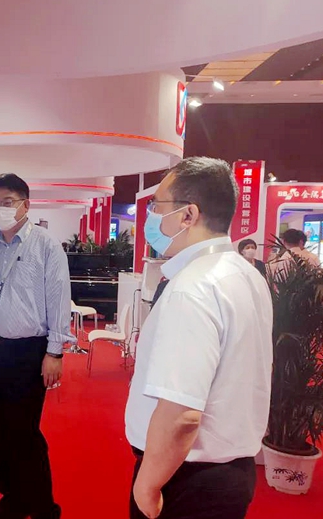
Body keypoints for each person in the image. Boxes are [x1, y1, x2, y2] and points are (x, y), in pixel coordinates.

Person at [125, 157, 273, 519]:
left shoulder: (192, 288)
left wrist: (147, 487)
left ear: (188, 215)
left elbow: (182, 414)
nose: (151, 217)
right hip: (230, 471)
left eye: (157, 206)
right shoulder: (245, 274)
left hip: (186, 478)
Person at [0, 173, 75, 519]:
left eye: (7, 202)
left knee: (24, 435)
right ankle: (13, 501)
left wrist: (54, 352)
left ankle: (43, 510)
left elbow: (59, 300)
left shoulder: (46, 246)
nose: (0, 209)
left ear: (26, 204)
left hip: (28, 354)